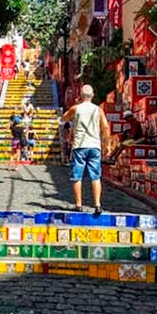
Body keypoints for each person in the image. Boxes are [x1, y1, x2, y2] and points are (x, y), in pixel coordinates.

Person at [60, 84, 110, 215]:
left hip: (80, 146)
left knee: (77, 176)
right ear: (92, 96)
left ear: (80, 96)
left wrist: (75, 105)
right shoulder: (98, 109)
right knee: (96, 176)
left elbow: (64, 117)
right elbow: (105, 127)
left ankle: (78, 205)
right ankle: (98, 204)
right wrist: (108, 145)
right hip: (94, 145)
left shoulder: (76, 108)